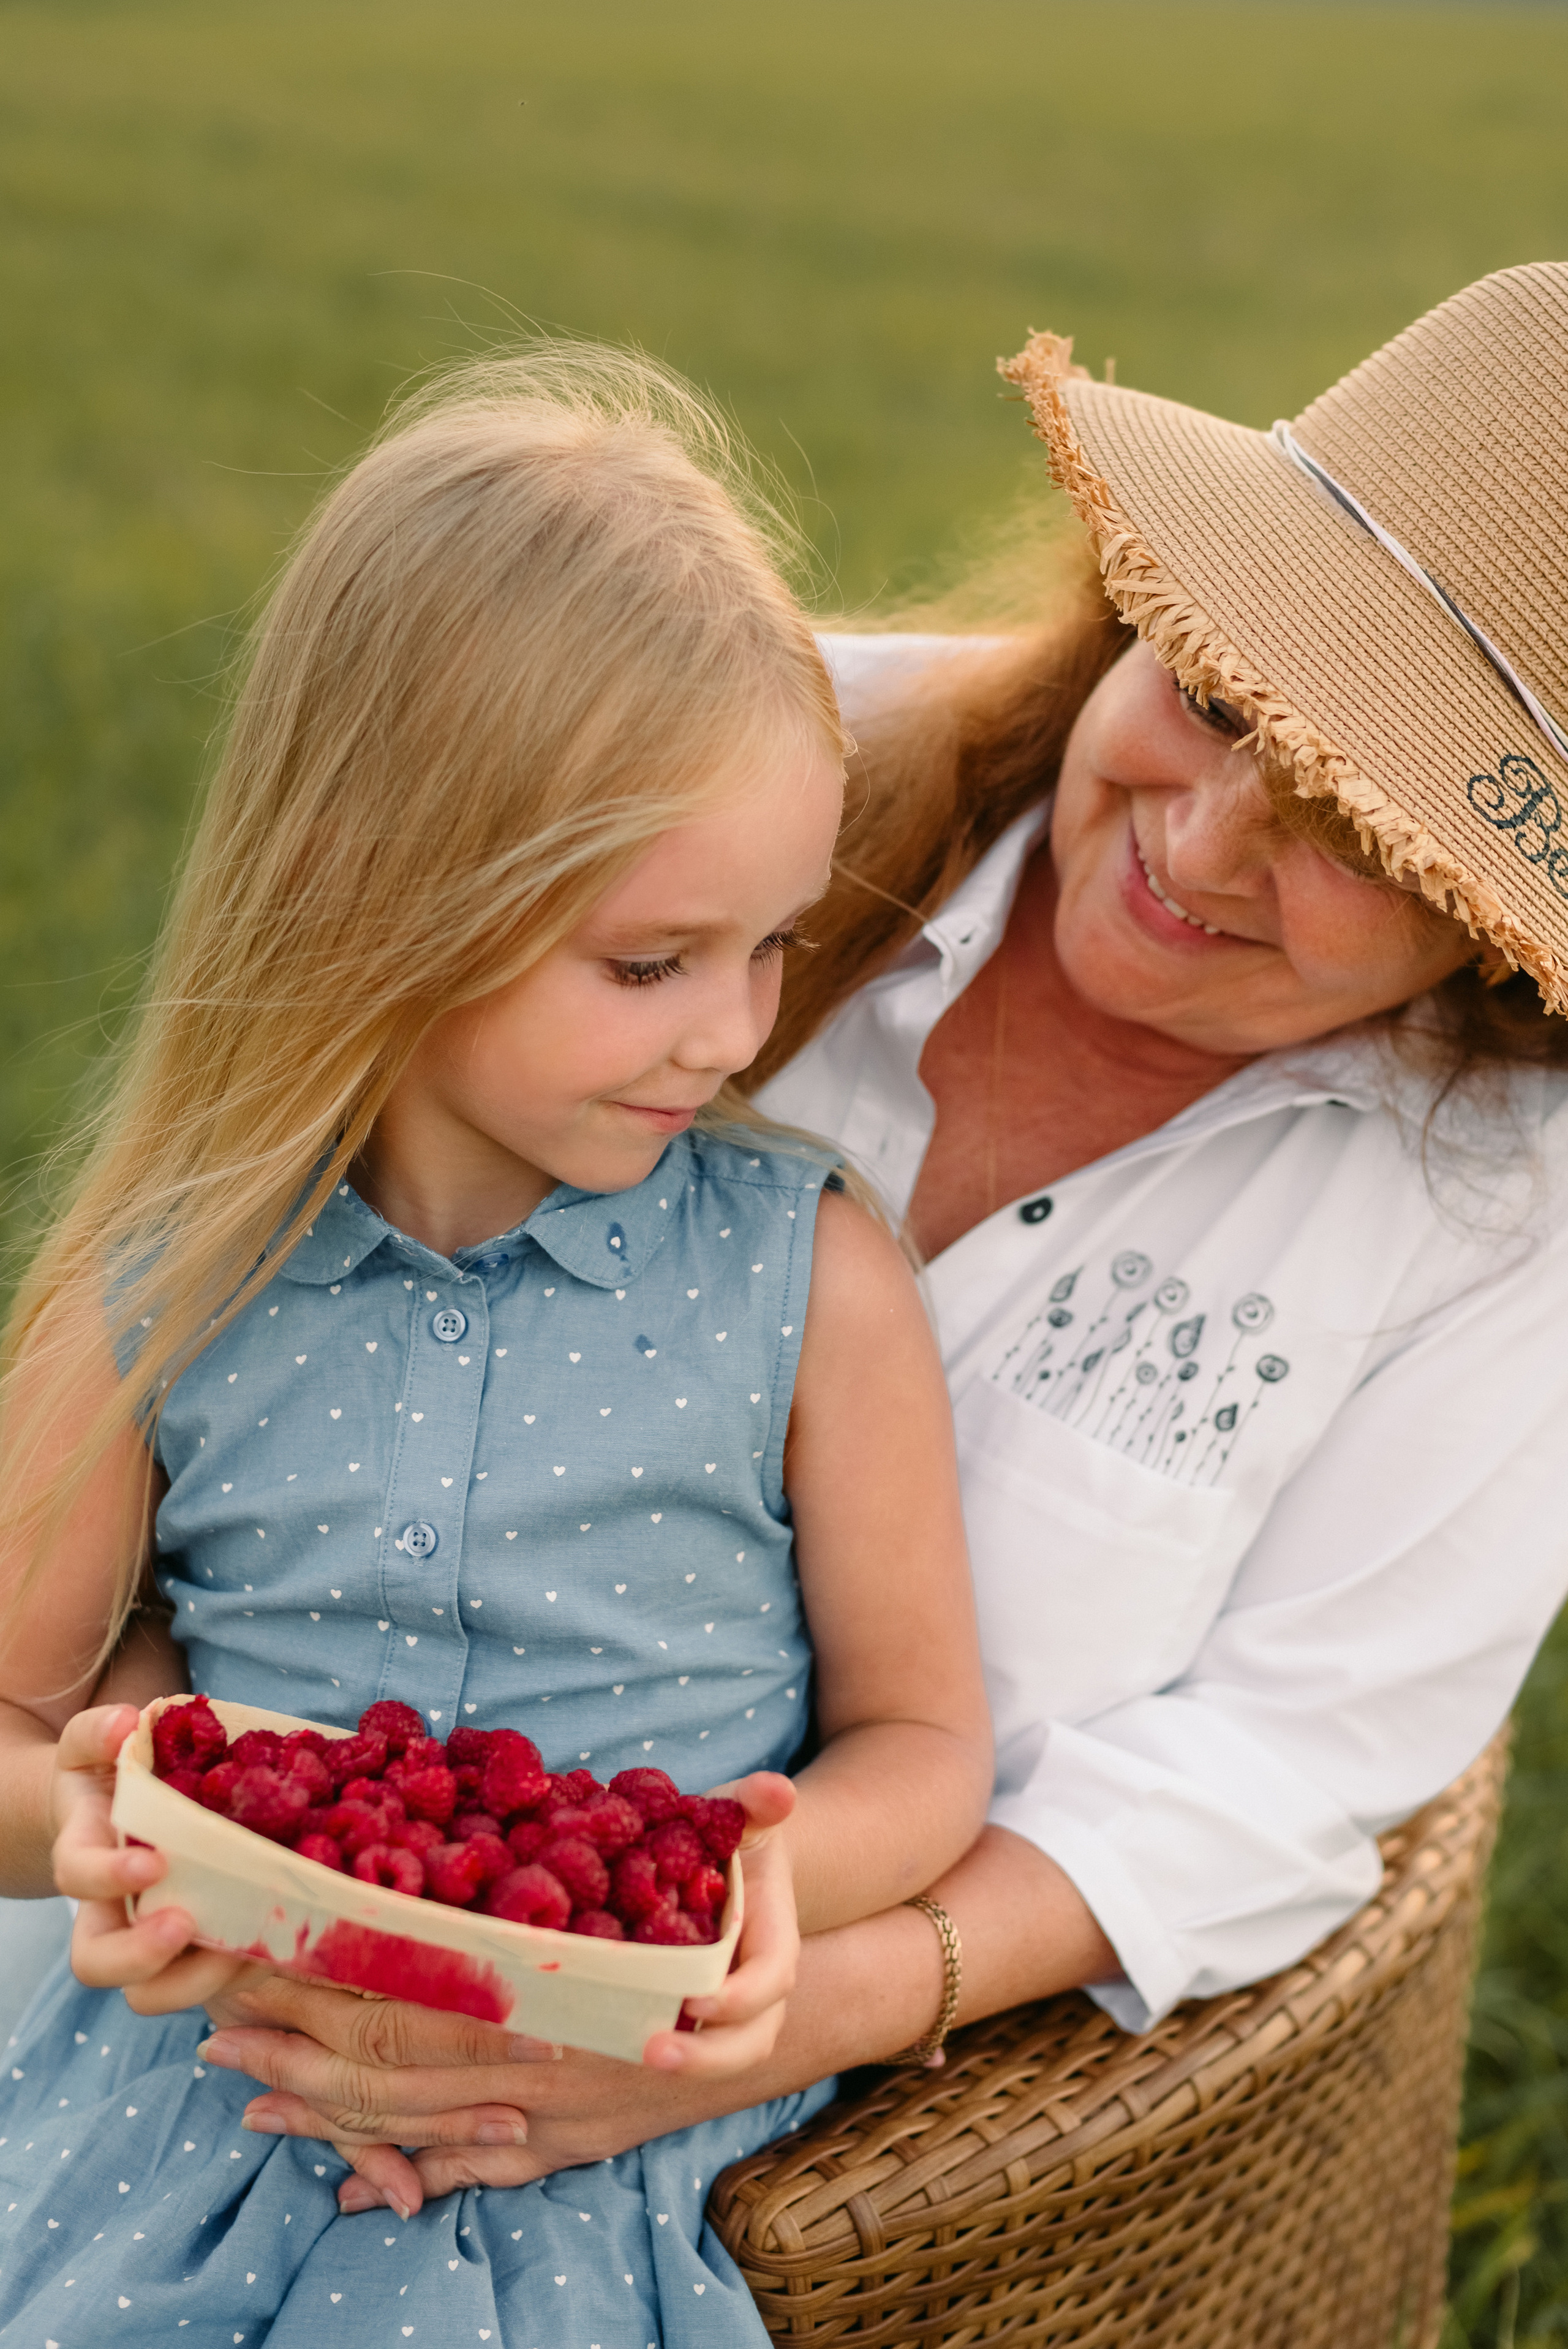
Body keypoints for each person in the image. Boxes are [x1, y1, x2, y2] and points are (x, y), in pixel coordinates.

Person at [137, 260, 1568, 2221]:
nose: (1202, 843)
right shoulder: (760, 780)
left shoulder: (1503, 1211)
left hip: (819, 2020)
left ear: (1496, 931)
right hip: (310, 1864)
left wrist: (789, 2006)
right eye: (1216, 696)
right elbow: (250, 1265)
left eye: (1357, 832)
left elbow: (1279, 1766)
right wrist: (198, 1802)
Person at [0, 348, 993, 2346]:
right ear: (385, 891)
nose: (732, 1029)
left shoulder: (805, 1282)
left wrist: (754, 1888)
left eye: (774, 944)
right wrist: (98, 1825)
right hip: (197, 2106)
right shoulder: (174, 1275)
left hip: (606, 2138)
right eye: (650, 963)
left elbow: (924, 1740)